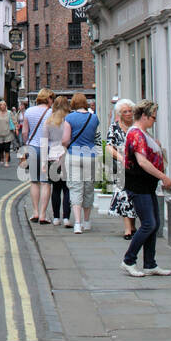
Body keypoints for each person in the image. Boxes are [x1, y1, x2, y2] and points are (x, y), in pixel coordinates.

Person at [121, 100, 171, 277]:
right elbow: (142, 161)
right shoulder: (136, 134)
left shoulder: (143, 133)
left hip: (147, 186)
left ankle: (150, 264)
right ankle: (128, 260)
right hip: (139, 185)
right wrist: (163, 177)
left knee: (154, 224)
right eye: (153, 117)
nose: (154, 121)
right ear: (144, 116)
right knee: (149, 223)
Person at [62, 92, 100, 234]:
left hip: (74, 155)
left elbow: (65, 140)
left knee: (76, 188)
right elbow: (93, 136)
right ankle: (87, 221)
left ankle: (77, 223)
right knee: (88, 188)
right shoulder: (94, 118)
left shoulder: (69, 118)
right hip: (90, 156)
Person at [106, 99, 138, 238]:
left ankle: (132, 226)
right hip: (122, 167)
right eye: (125, 111)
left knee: (134, 196)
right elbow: (108, 146)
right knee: (124, 195)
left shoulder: (136, 127)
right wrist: (120, 158)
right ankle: (127, 230)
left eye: (130, 111)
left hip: (137, 167)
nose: (128, 114)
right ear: (119, 113)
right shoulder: (114, 127)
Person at [21, 89, 54, 223]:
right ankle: (42, 215)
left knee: (34, 181)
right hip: (47, 148)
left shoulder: (29, 111)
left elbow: (24, 132)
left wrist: (26, 143)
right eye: (52, 99)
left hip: (33, 147)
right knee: (45, 183)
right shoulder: (52, 113)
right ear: (48, 99)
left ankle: (34, 212)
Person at [45, 96, 72, 225]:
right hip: (65, 156)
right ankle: (66, 217)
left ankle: (56, 218)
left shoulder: (49, 121)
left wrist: (44, 162)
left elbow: (44, 142)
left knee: (56, 189)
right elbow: (68, 140)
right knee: (67, 189)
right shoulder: (68, 121)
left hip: (52, 156)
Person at [0, 100, 13, 166]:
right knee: (0, 148)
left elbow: (13, 121)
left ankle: (6, 161)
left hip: (7, 133)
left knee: (7, 148)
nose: (3, 106)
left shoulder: (9, 113)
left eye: (4, 105)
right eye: (1, 105)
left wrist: (16, 129)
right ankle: (2, 157)